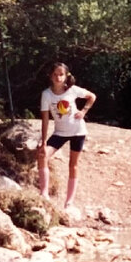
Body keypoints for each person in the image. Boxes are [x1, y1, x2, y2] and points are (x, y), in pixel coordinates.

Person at [38, 62, 96, 209]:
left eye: (61, 74)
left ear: (66, 76)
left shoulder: (73, 90)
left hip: (78, 131)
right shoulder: (46, 94)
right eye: (55, 74)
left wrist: (84, 111)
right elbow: (45, 118)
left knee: (73, 165)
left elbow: (92, 97)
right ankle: (44, 194)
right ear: (50, 76)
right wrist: (43, 141)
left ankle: (69, 202)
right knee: (42, 155)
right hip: (59, 133)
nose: (58, 77)